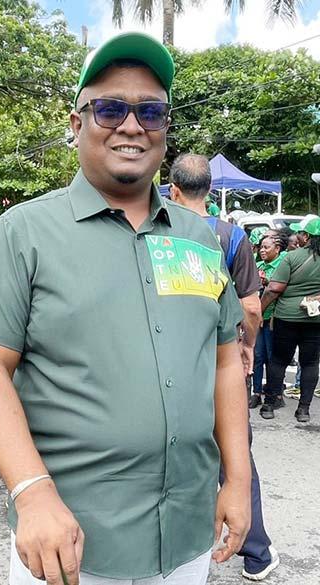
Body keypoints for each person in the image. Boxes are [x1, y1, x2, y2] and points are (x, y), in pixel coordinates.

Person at [0, 33, 251, 585]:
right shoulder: (25, 232)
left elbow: (225, 360)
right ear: (77, 124)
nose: (132, 126)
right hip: (70, 541)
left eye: (151, 112)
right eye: (111, 109)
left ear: (165, 127)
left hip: (186, 534)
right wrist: (31, 492)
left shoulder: (199, 238)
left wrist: (238, 479)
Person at [169, 153, 279, 582]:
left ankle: (176, 549)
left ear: (173, 190)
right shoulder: (231, 236)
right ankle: (256, 553)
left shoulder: (158, 233)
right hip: (219, 360)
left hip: (168, 362)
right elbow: (251, 307)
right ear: (210, 191)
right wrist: (246, 347)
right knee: (234, 457)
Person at [260, 215, 320, 422]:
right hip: (315, 318)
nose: (297, 236)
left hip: (287, 317)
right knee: (310, 363)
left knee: (278, 360)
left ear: (306, 236)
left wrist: (259, 310)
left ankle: (269, 405)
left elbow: (274, 289)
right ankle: (303, 410)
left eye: (300, 233)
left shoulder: (292, 257)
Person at [250, 233, 288, 409]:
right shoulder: (257, 265)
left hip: (274, 319)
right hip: (257, 319)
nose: (262, 251)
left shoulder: (283, 265)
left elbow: (280, 289)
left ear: (277, 249)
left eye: (267, 247)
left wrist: (267, 282)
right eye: (261, 247)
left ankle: (275, 394)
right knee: (258, 356)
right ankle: (257, 393)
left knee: (273, 358)